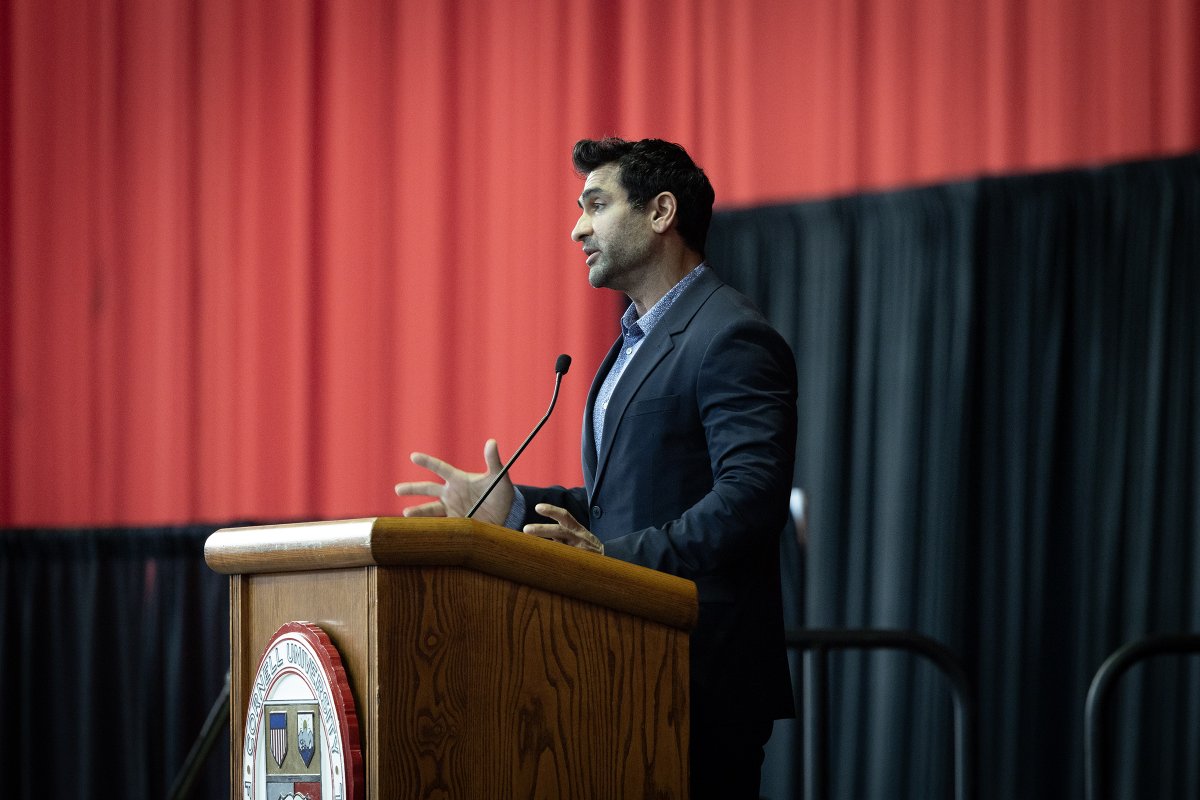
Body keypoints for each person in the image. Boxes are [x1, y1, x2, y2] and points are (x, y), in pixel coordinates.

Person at [394, 137, 797, 799]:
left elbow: (751, 499)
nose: (577, 227)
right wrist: (515, 509)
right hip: (617, 665)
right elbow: (628, 502)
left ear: (662, 212)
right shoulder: (628, 346)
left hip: (699, 676)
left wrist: (608, 560)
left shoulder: (730, 334)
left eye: (597, 205)